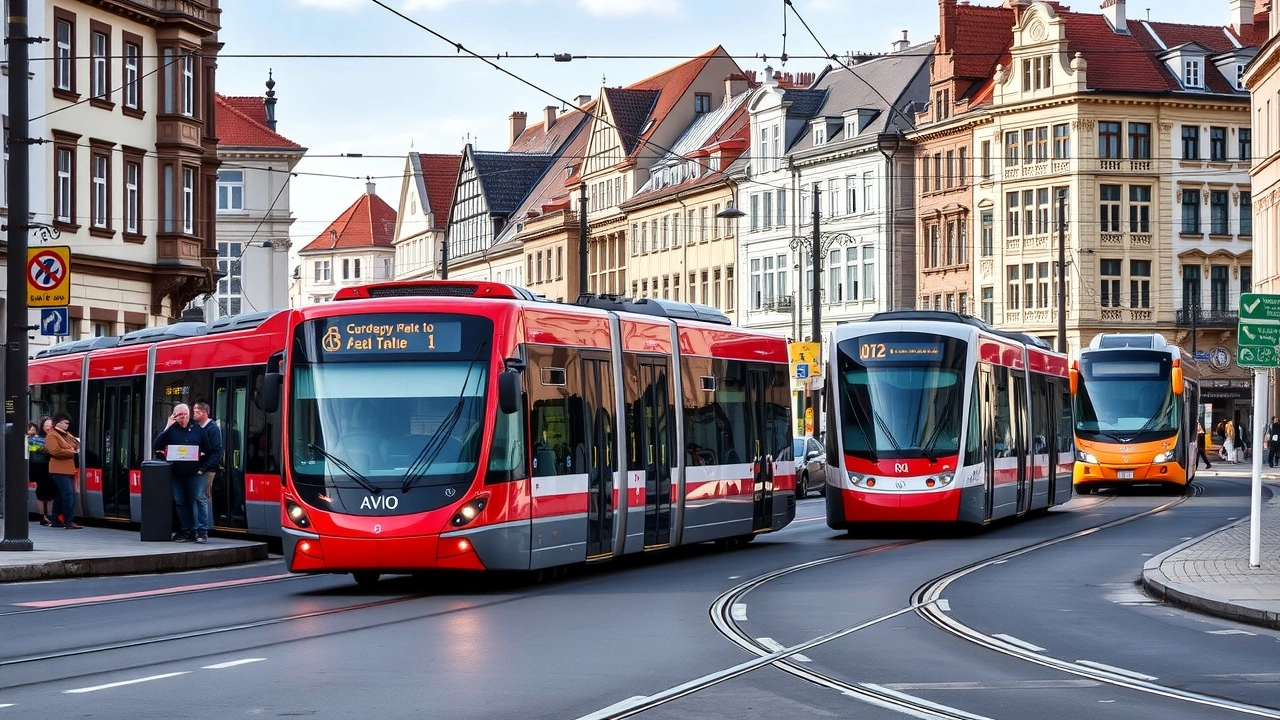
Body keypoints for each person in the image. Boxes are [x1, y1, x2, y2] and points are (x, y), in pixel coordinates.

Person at [153, 403, 206, 542]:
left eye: (185, 414)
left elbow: (208, 449)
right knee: (179, 501)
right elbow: (156, 445)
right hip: (176, 473)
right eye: (180, 415)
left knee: (196, 500)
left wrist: (203, 465)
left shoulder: (198, 430)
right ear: (174, 415)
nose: (183, 417)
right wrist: (168, 425)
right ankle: (186, 530)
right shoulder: (170, 431)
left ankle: (199, 531)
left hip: (195, 473)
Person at [44, 412, 83, 529]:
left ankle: (55, 518)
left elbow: (77, 445)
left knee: (61, 495)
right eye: (65, 423)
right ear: (58, 423)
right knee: (68, 493)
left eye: (68, 423)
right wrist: (72, 451)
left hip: (68, 469)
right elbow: (55, 451)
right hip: (58, 469)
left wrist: (71, 449)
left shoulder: (66, 434)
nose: (67, 425)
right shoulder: (52, 435)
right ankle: (68, 520)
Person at [191, 401, 223, 543]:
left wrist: (206, 467)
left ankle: (202, 530)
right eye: (194, 411)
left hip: (205, 470)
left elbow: (217, 451)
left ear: (205, 413)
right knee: (195, 498)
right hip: (195, 468)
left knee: (200, 497)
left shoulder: (213, 429)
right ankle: (195, 528)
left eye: (197, 411)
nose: (194, 414)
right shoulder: (195, 428)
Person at [28, 416, 58, 525]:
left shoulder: (53, 437)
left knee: (50, 493)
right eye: (46, 425)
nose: (49, 427)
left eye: (50, 424)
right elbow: (37, 451)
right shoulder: (35, 438)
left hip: (51, 467)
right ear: (42, 426)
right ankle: (43, 517)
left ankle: (49, 515)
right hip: (39, 467)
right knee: (41, 493)